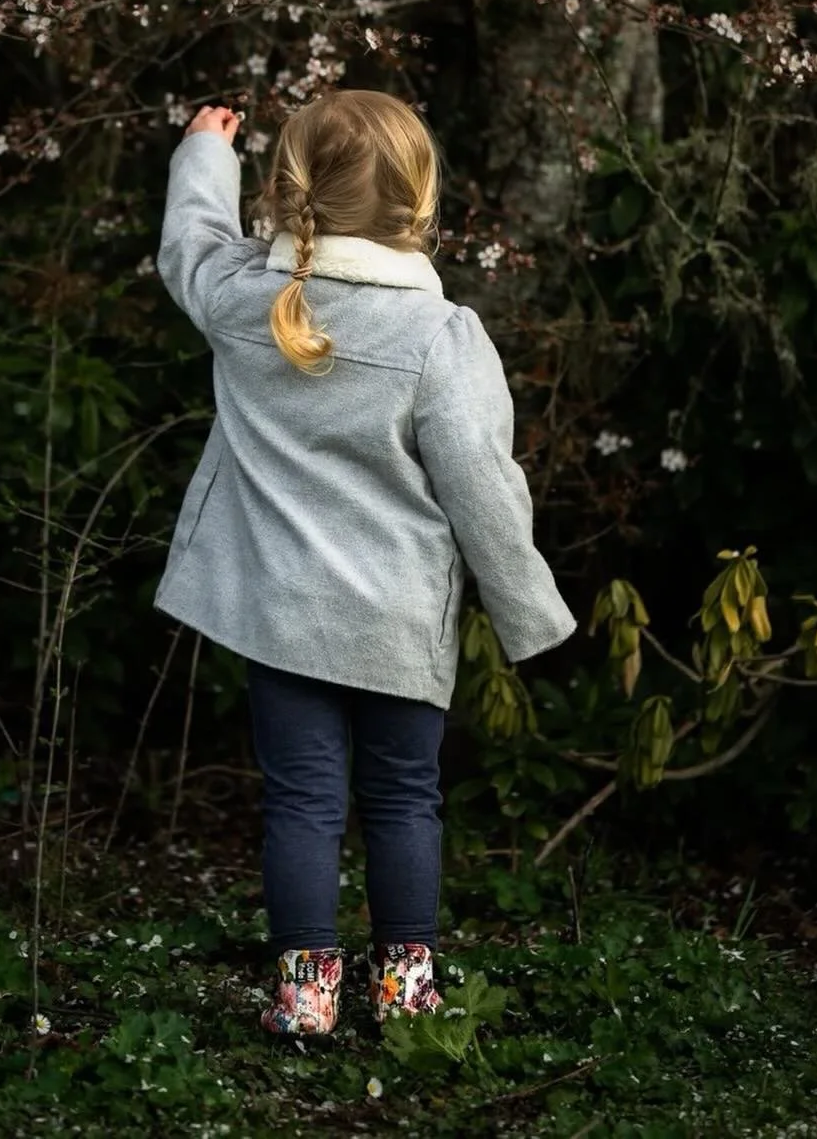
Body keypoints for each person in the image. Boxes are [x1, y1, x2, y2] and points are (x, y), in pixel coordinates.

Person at [152, 88, 578, 1037]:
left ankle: (306, 994)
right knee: (402, 797)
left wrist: (203, 156)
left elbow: (187, 247)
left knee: (301, 798)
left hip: (281, 613)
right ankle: (403, 987)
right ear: (418, 203)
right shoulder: (437, 337)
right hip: (397, 620)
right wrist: (529, 611)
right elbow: (483, 485)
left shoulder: (244, 301)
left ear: (289, 192)